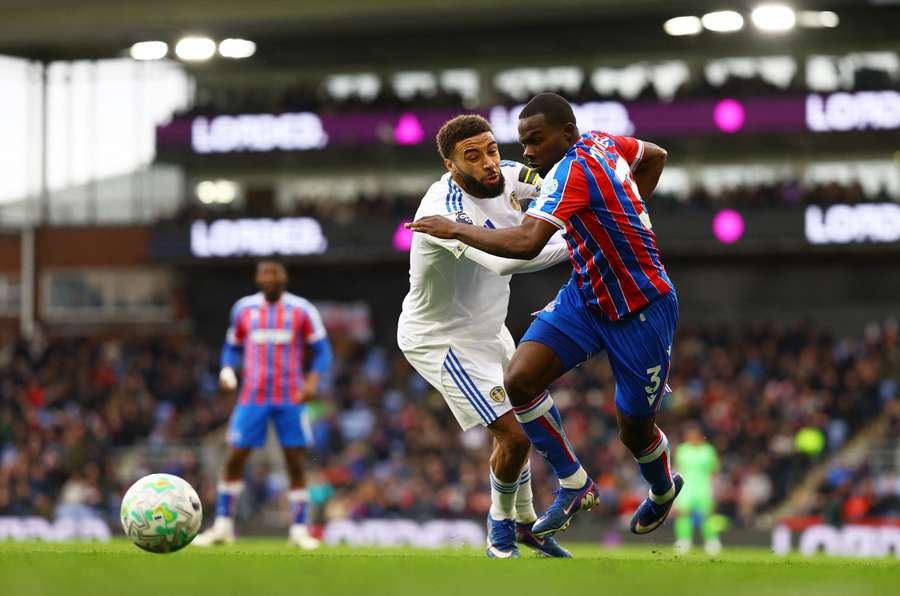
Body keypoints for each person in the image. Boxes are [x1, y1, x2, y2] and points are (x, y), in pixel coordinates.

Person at [407, 93, 681, 539]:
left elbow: (524, 244)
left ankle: (662, 489)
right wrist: (623, 213)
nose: (528, 152)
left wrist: (453, 227)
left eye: (535, 141)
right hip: (587, 294)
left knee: (633, 428)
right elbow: (654, 156)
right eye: (522, 142)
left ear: (568, 134)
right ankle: (574, 484)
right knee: (519, 380)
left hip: (642, 306)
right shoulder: (605, 143)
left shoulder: (570, 172)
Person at [398, 114, 571, 558]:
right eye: (472, 157)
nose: (489, 163)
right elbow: (504, 261)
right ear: (450, 164)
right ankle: (500, 527)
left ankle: (529, 524)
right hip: (442, 339)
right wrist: (579, 243)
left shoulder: (513, 176)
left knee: (525, 431)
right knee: (512, 437)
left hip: (491, 329)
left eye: (491, 149)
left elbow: (564, 185)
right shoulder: (442, 210)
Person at [194, 259, 333, 550]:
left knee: (294, 460)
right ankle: (223, 526)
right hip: (252, 396)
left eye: (275, 273)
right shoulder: (243, 309)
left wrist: (312, 381)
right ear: (257, 279)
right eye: (265, 274)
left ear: (284, 278)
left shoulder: (301, 310)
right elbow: (231, 346)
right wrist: (227, 370)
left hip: (290, 397)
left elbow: (322, 350)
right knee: (235, 456)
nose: (270, 278)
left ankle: (298, 529)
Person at [674, 424, 722, 555]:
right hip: (686, 488)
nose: (692, 437)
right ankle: (684, 541)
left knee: (707, 515)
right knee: (683, 513)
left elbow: (715, 471)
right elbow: (678, 469)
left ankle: (712, 541)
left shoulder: (708, 450)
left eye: (695, 434)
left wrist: (716, 488)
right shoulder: (682, 450)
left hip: (704, 487)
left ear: (700, 436)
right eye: (690, 434)